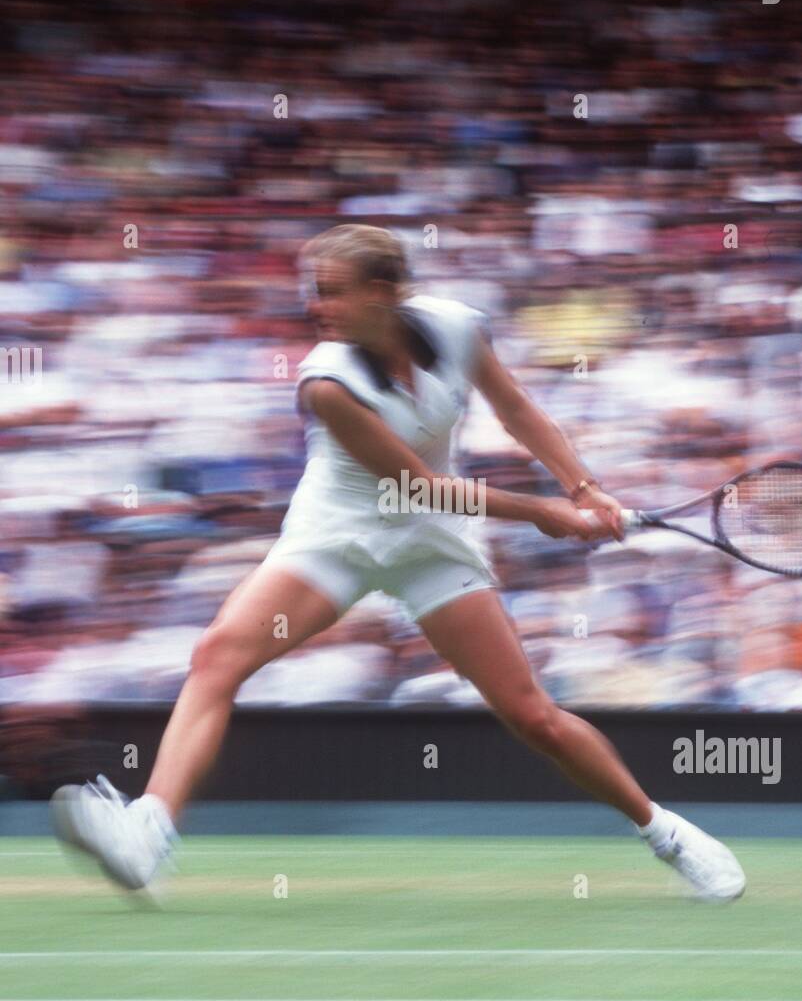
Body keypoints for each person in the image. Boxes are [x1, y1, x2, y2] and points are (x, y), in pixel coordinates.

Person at [52, 225, 745, 902]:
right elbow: (414, 484)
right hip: (337, 538)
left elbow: (518, 410)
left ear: (384, 291)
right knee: (218, 657)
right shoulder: (325, 382)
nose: (315, 308)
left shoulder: (456, 330)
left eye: (330, 293)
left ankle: (670, 835)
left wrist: (583, 488)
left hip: (430, 547)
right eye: (313, 293)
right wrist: (544, 512)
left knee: (532, 716)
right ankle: (149, 831)